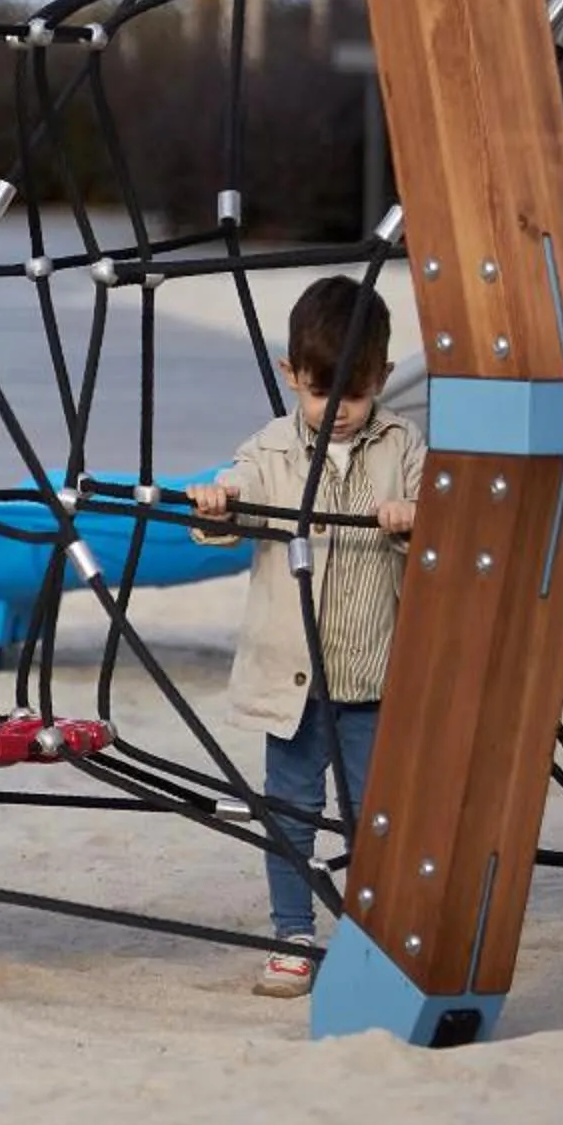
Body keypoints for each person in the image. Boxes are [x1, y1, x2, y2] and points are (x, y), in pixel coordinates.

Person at [187, 275, 424, 1000]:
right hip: (295, 679)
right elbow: (223, 517)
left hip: (373, 674)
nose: (337, 413)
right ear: (293, 376)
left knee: (373, 813)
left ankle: (367, 928)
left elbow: (442, 525)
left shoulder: (404, 443)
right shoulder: (269, 449)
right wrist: (219, 503)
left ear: (381, 378)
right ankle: (292, 933)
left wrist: (412, 518)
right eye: (320, 395)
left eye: (352, 396)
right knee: (290, 809)